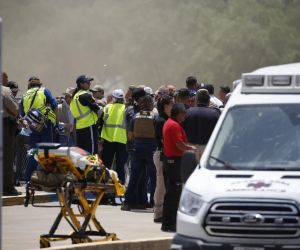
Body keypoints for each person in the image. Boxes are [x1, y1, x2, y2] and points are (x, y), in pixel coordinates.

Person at [161, 103, 196, 232]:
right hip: (174, 162)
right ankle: (169, 223)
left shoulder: (170, 123)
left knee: (172, 193)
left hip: (172, 161)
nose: (185, 115)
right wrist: (191, 148)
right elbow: (179, 144)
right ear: (179, 113)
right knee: (173, 194)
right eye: (184, 113)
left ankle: (168, 223)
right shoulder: (174, 125)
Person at [121, 94, 157, 211]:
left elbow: (130, 135)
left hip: (138, 149)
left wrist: (133, 146)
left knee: (134, 177)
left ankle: (127, 203)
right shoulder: (154, 117)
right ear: (151, 104)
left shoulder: (135, 116)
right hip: (151, 149)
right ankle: (154, 203)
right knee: (154, 177)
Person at [20, 76, 58, 182]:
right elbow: (55, 105)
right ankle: (48, 180)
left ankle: (28, 179)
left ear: (29, 85)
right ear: (39, 84)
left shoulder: (24, 95)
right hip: (45, 125)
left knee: (34, 152)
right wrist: (56, 123)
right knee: (47, 152)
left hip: (33, 126)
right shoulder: (44, 90)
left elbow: (22, 114)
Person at [153, 95, 174, 223]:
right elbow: (163, 141)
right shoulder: (161, 121)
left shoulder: (166, 119)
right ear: (166, 106)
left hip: (164, 154)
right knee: (161, 185)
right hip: (161, 154)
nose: (173, 107)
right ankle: (158, 213)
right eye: (172, 105)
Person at [184, 89, 220, 161]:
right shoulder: (215, 114)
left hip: (190, 148)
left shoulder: (187, 112)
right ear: (209, 100)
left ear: (196, 100)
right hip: (208, 148)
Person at [100, 89, 127, 184]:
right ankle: (121, 185)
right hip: (122, 140)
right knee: (120, 165)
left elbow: (101, 121)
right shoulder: (125, 109)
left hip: (108, 139)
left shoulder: (107, 107)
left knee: (106, 164)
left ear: (114, 98)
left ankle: (103, 183)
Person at [70, 75, 101, 154]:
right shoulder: (85, 95)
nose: (89, 83)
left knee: (82, 152)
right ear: (81, 84)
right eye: (87, 82)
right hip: (89, 126)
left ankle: (82, 166)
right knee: (92, 152)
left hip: (79, 127)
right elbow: (98, 110)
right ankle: (91, 166)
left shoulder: (74, 97)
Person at [2, 72, 20, 195]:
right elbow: (15, 108)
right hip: (5, 127)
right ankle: (7, 188)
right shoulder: (5, 90)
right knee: (7, 159)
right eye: (6, 78)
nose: (7, 80)